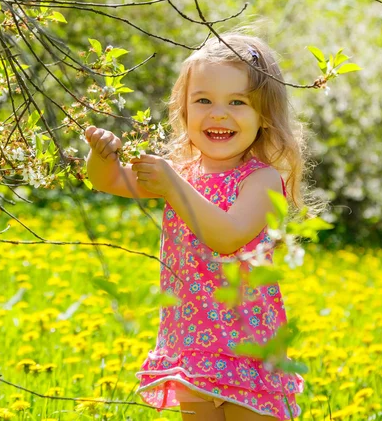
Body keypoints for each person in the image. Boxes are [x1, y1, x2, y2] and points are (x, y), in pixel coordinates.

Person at [84, 30, 319, 420]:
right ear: (185, 110)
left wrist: (174, 186)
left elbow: (226, 236)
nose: (219, 114)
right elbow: (110, 181)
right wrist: (101, 156)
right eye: (203, 100)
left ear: (263, 115)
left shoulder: (260, 180)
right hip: (191, 344)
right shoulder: (182, 173)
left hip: (247, 346)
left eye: (237, 102)